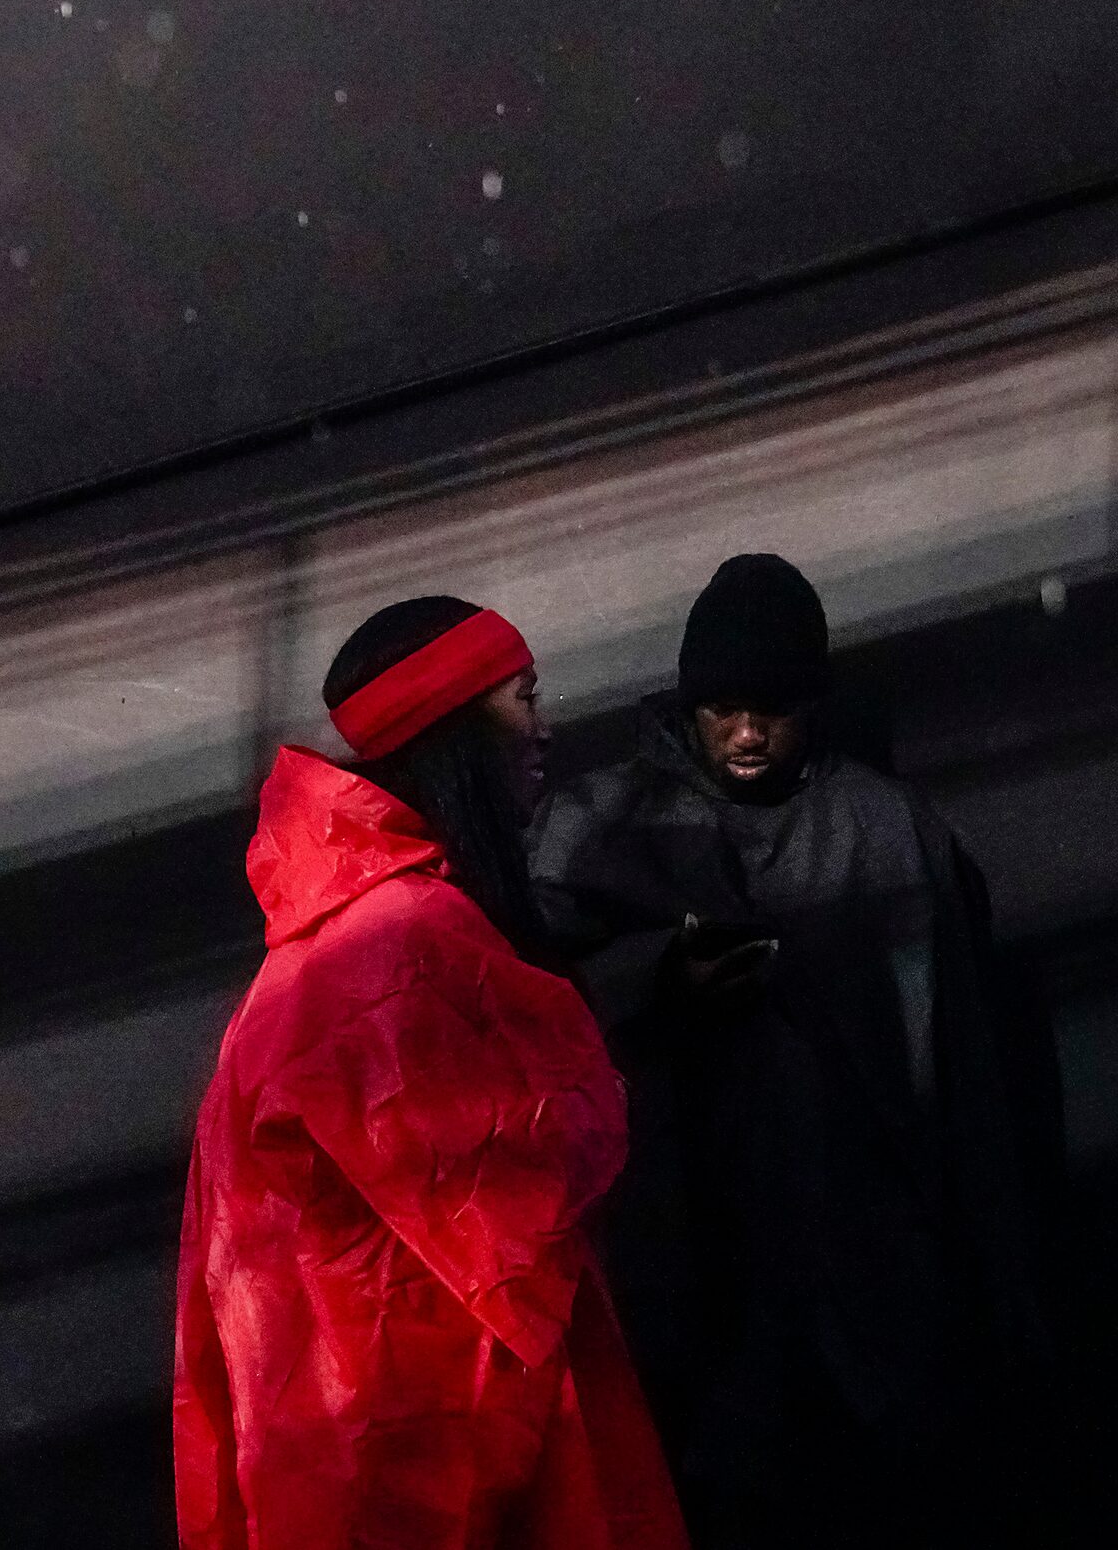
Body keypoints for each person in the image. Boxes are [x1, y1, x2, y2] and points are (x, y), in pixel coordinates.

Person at [531, 554, 1063, 1548]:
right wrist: (653, 982)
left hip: (857, 1273)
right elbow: (501, 1002)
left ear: (809, 704)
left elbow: (969, 1072)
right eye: (723, 708)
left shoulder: (888, 833)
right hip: (690, 1271)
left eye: (768, 708)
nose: (744, 732)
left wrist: (999, 1286)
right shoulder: (607, 829)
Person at [173, 597, 688, 1550]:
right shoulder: (406, 944)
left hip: (327, 1456)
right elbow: (507, 1216)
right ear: (454, 725)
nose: (544, 726)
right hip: (423, 1459)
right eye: (522, 698)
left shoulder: (320, 946)